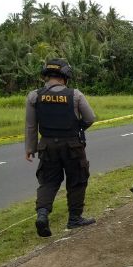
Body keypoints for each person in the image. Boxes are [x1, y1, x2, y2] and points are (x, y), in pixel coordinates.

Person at [25, 58, 96, 237]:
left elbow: (31, 126)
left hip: (47, 146)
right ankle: (74, 219)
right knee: (77, 180)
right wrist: (78, 127)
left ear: (46, 76)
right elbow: (90, 118)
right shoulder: (75, 95)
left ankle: (42, 215)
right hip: (72, 145)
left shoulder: (34, 96)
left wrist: (30, 148)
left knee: (48, 182)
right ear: (65, 76)